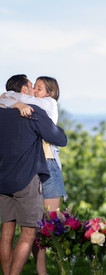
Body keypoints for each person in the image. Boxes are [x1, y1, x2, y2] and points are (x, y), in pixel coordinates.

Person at [0, 74, 67, 275]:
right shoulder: (33, 111)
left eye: (39, 88)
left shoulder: (3, 110)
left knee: (7, 231)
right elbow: (59, 138)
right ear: (23, 90)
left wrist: (12, 101)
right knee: (31, 231)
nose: (34, 91)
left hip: (4, 177)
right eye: (32, 86)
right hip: (28, 176)